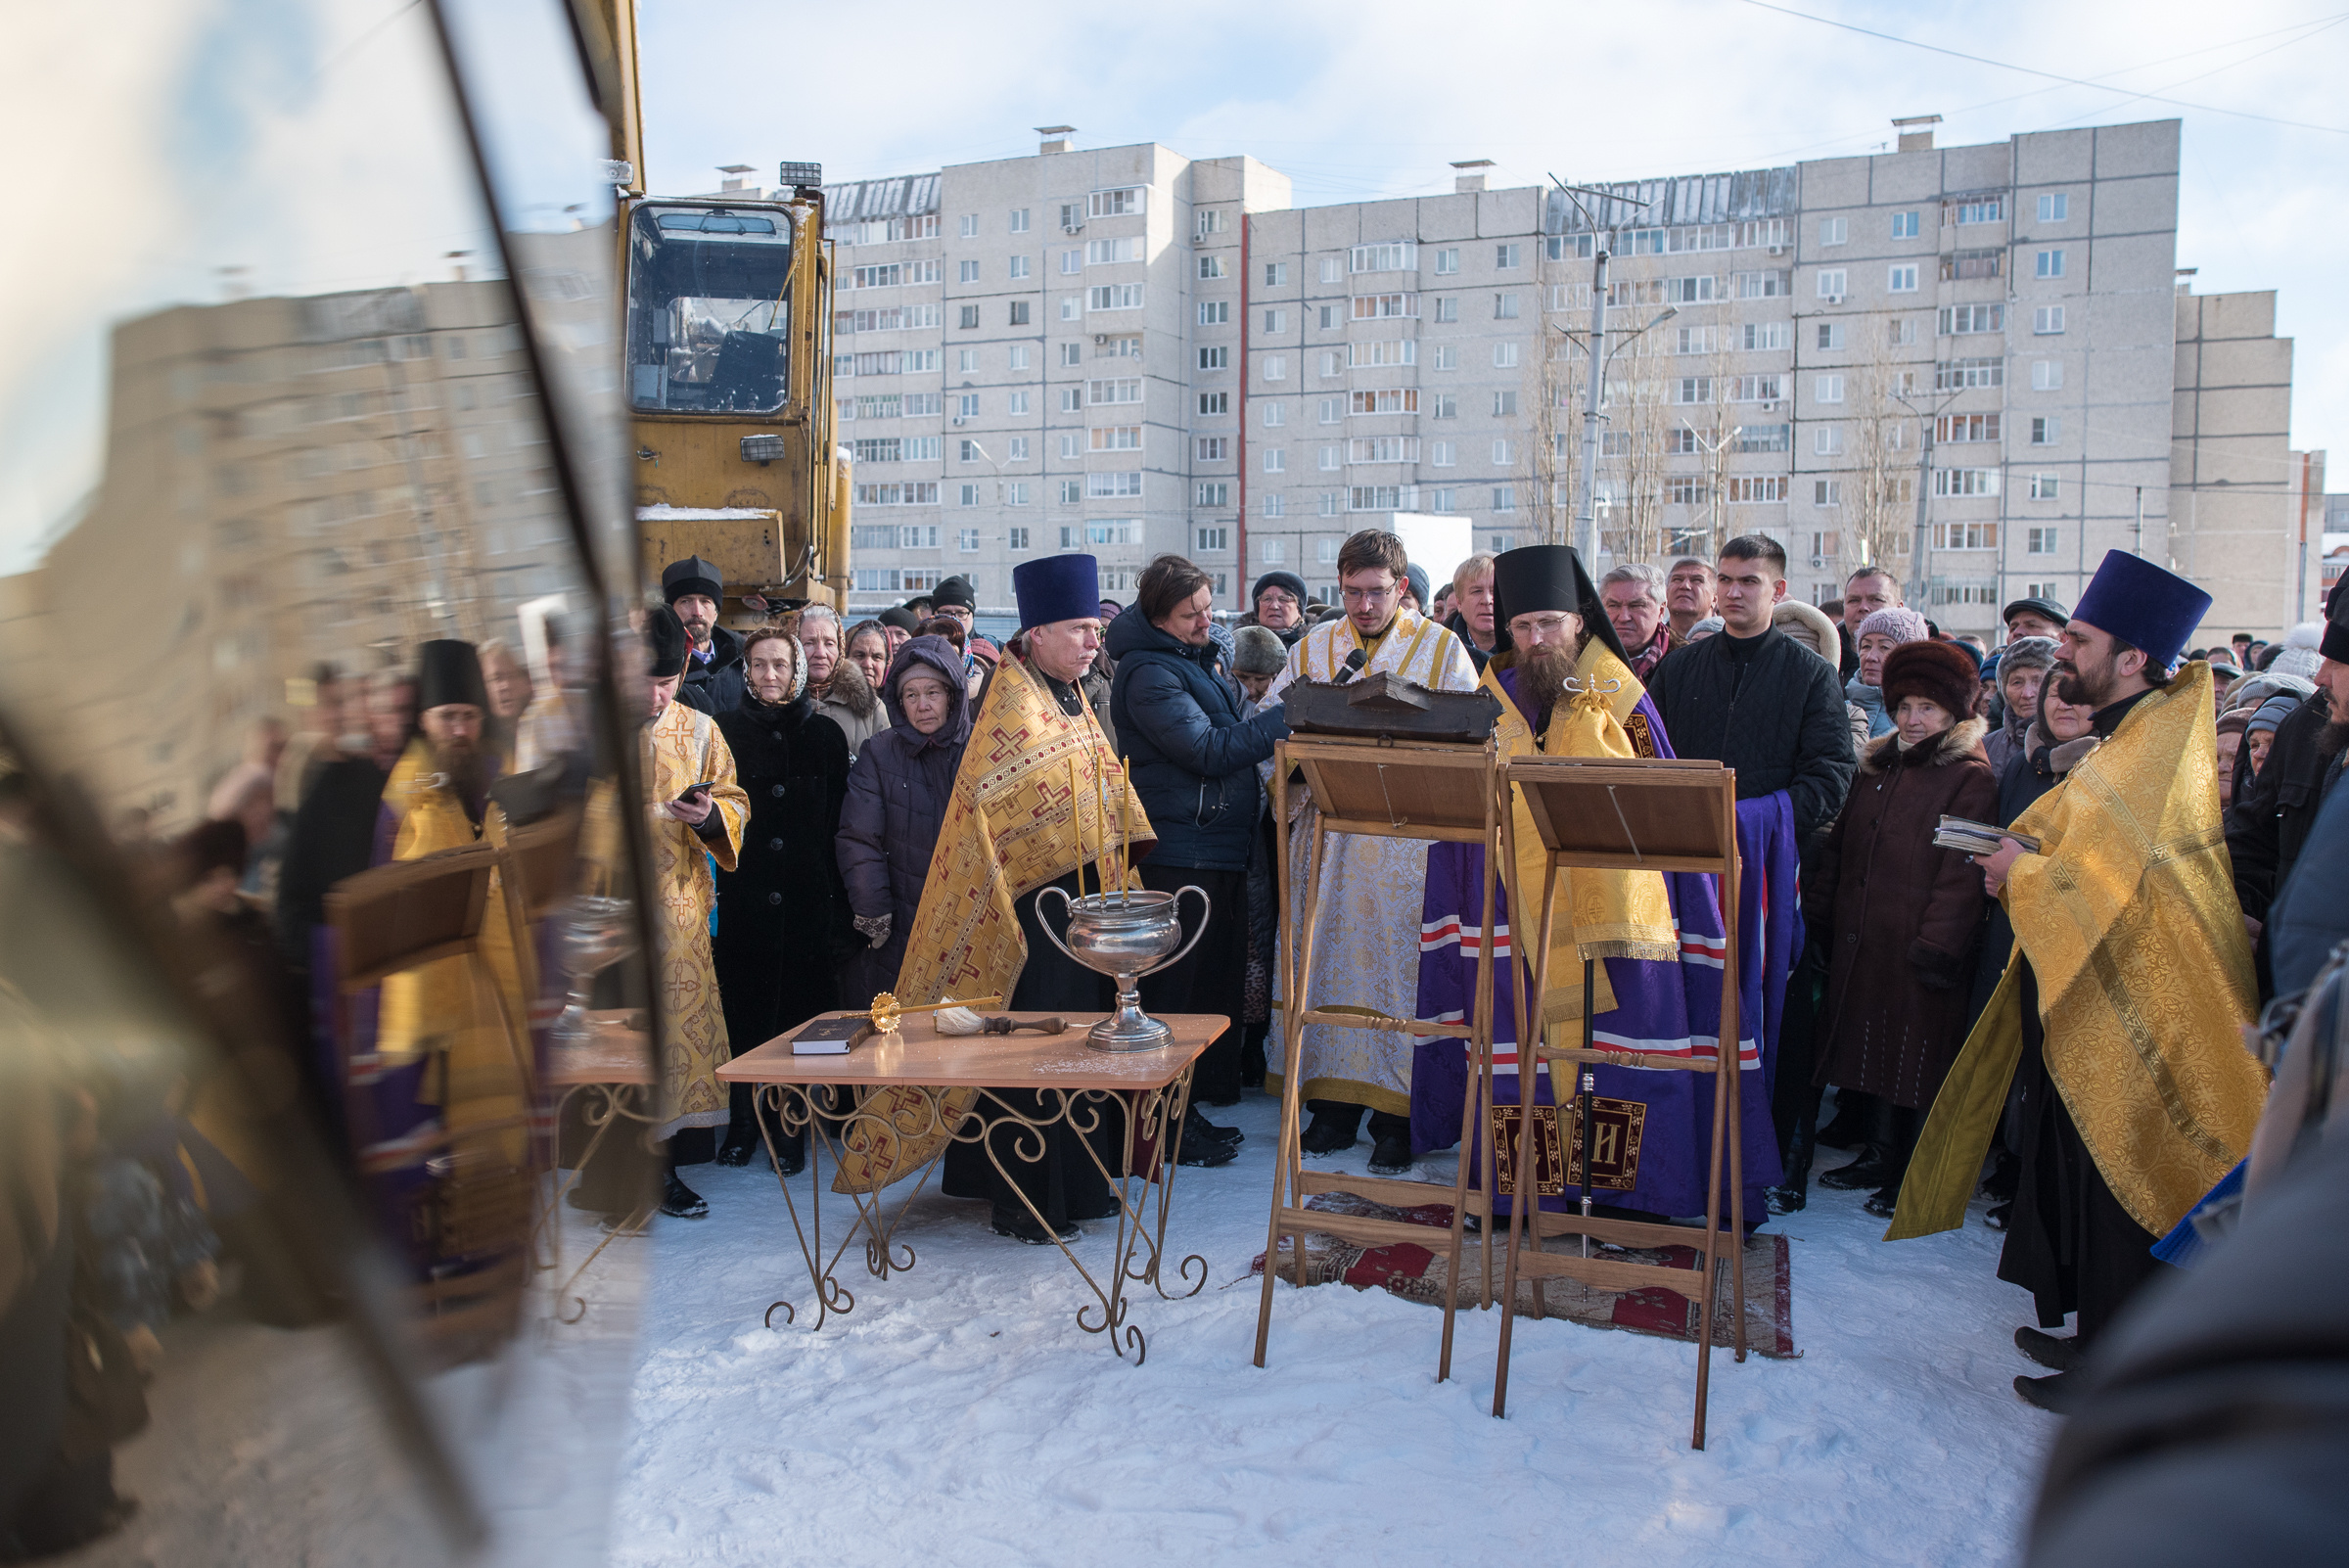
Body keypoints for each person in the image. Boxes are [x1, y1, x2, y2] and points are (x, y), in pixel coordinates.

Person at [1892, 551, 2268, 1414]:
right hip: (2091, 991)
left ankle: (2122, 1365)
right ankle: (2098, 1332)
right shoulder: (2137, 731)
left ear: (2132, 658)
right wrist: (2021, 858)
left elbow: (2100, 875)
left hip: (2141, 1008)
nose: (2064, 654)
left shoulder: (2151, 744)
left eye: (2082, 640)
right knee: (2090, 1176)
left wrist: (2016, 871)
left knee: (2124, 1179)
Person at [1412, 544, 1776, 1224]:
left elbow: (1666, 809)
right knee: (1523, 1057)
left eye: (1549, 623)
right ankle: (1528, 1189)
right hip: (1516, 912)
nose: (1536, 640)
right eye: (1522, 629)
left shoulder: (1624, 696)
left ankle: (1629, 1195)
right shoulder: (1494, 699)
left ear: (1579, 620)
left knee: (1621, 1058)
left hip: (1619, 925)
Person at [876, 557, 1151, 1241]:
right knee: (1032, 1046)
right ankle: (1026, 1198)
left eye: (1096, 630)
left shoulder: (1072, 694)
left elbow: (1098, 784)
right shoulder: (1013, 703)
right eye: (1081, 630)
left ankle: (1080, 1183)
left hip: (1080, 907)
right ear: (1039, 631)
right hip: (1027, 911)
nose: (1095, 642)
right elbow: (1000, 812)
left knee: (1078, 1044)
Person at [1267, 530, 1479, 1173]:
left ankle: (1397, 1118)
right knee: (1326, 964)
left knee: (1401, 977)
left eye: (1377, 592)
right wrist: (1298, 762)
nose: (1364, 606)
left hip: (1408, 849)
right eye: (1353, 592)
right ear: (1340, 587)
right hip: (1329, 845)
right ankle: (1332, 1109)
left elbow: (1471, 741)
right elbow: (1274, 739)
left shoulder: (1444, 651)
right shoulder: (1312, 647)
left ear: (1402, 589)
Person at [1646, 534, 1857, 1169]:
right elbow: (1648, 761)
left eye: (1750, 582)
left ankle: (1769, 1154)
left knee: (1773, 1016)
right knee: (1681, 1007)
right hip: (1680, 874)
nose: (1735, 592)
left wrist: (1747, 819)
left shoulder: (1812, 675)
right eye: (1727, 580)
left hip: (1767, 875)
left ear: (1779, 591)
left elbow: (1832, 777)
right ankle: (1682, 1149)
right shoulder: (1679, 669)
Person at [1808, 641, 1997, 1218]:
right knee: (1877, 1050)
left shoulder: (1971, 780)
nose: (1914, 720)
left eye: (1929, 709)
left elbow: (1963, 873)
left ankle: (1912, 1167)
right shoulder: (1878, 767)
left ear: (1955, 716)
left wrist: (1939, 943)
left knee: (1919, 1058)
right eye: (1907, 706)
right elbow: (1841, 849)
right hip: (1866, 939)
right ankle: (1880, 1151)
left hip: (1918, 944)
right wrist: (1820, 913)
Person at [1109, 555, 1292, 1144]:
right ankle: (1164, 1121)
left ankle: (1189, 1108)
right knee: (1177, 989)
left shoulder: (1191, 659)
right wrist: (1285, 717)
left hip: (1213, 844)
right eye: (1191, 614)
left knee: (1210, 982)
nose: (1205, 622)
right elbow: (1208, 749)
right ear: (1159, 617)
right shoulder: (1148, 674)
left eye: (1209, 608)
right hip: (1181, 849)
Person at [622, 609, 751, 1219]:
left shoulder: (701, 730)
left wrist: (711, 817)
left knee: (669, 1042)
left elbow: (733, 797)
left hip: (677, 913)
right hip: (608, 916)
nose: (654, 694)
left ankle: (664, 1170)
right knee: (617, 1043)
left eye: (667, 681)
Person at [711, 628, 852, 1176]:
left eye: (780, 664)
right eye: (760, 665)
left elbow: (840, 825)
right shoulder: (723, 733)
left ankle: (789, 1121)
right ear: (746, 671)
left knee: (798, 1022)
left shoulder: (825, 736)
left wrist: (839, 909)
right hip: (745, 901)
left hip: (806, 900)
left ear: (797, 671)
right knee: (744, 1015)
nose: (770, 675)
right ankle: (745, 1120)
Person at [836, 635, 972, 1006]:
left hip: (972, 919)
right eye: (911, 695)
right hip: (903, 923)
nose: (922, 705)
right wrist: (874, 909)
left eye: (933, 692)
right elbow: (858, 838)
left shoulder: (980, 751)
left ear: (953, 695)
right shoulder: (879, 753)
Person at [2227, 583, 2349, 988]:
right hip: (2290, 1002)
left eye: (2338, 661)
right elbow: (2255, 840)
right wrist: (2238, 910)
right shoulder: (2304, 728)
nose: (2320, 675)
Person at [663, 555, 746, 714]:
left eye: (705, 601)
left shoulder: (744, 662)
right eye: (685, 601)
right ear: (670, 610)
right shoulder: (661, 666)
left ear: (716, 612)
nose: (697, 612)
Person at [812, 613, 887, 762]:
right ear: (842, 656)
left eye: (877, 657)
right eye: (859, 655)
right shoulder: (807, 695)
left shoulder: (877, 708)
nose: (868, 664)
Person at [1848, 605, 1931, 738]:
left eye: (1884, 647)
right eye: (1866, 646)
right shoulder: (1839, 709)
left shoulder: (1926, 720)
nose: (1870, 657)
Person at [1983, 636, 2057, 775]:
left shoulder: (2075, 743)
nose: (2027, 693)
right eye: (2017, 682)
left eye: (2038, 681)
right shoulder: (1985, 747)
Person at [1599, 562, 1676, 679]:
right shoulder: (1579, 660)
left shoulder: (1687, 663)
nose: (1624, 617)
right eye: (1614, 605)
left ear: (1661, 611)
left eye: (1637, 606)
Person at [478, 638, 534, 769]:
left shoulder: (540, 725)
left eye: (512, 676)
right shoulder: (479, 745)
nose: (506, 685)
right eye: (497, 678)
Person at [1839, 567, 1903, 680]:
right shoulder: (1821, 661)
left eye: (1876, 599)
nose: (1863, 607)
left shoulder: (1924, 667)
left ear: (1899, 608)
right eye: (1854, 600)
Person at [1446, 552, 1499, 669]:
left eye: (1494, 591)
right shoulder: (1440, 651)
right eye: (1477, 591)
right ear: (1459, 603)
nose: (1486, 600)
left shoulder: (1527, 651)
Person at [1247, 570, 1310, 648]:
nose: (1274, 606)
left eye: (1283, 599)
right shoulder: (1239, 645)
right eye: (1267, 599)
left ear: (1299, 610)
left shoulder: (1314, 646)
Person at [1664, 557, 1716, 643]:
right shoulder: (1647, 646)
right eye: (1677, 579)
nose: (1685, 586)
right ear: (1665, 592)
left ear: (1714, 598)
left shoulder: (1728, 643)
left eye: (1696, 580)